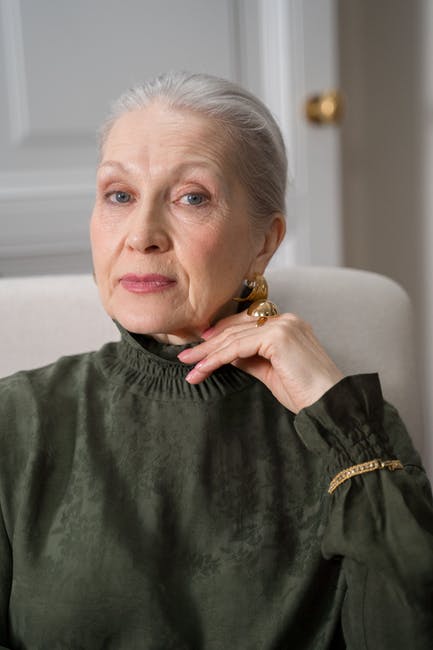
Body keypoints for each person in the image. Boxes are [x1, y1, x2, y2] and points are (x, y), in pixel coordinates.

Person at [0, 71, 432, 650]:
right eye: (119, 195)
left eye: (191, 197)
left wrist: (337, 416)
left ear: (264, 241)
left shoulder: (352, 433)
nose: (142, 235)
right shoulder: (18, 419)